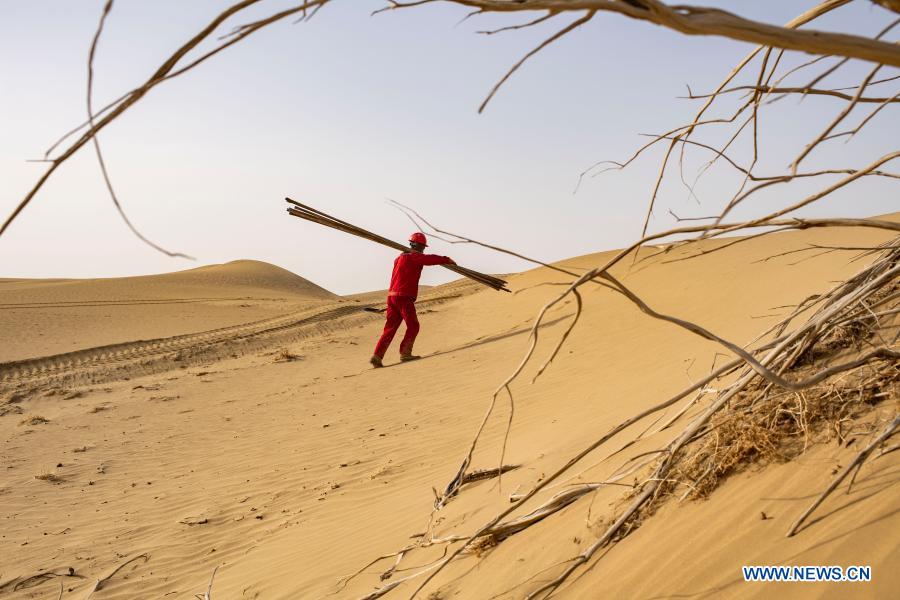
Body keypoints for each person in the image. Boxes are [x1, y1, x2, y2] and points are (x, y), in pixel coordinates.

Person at [370, 232, 454, 368]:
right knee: (413, 325)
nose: (423, 250)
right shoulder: (414, 257)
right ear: (417, 246)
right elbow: (430, 259)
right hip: (403, 297)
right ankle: (405, 353)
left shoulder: (398, 259)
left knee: (390, 329)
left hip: (392, 297)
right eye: (422, 247)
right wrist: (446, 259)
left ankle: (377, 355)